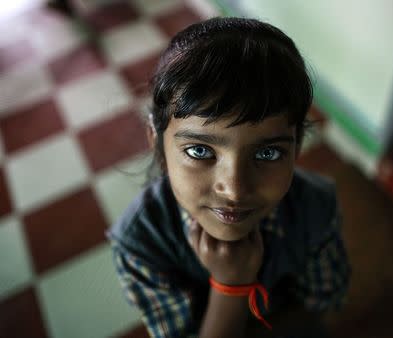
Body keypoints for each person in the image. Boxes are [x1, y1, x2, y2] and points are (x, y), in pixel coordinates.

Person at [107, 16, 351, 338]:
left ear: (296, 147)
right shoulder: (141, 243)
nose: (235, 189)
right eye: (199, 151)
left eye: (267, 153)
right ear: (158, 143)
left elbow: (325, 300)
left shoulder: (316, 206)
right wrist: (231, 286)